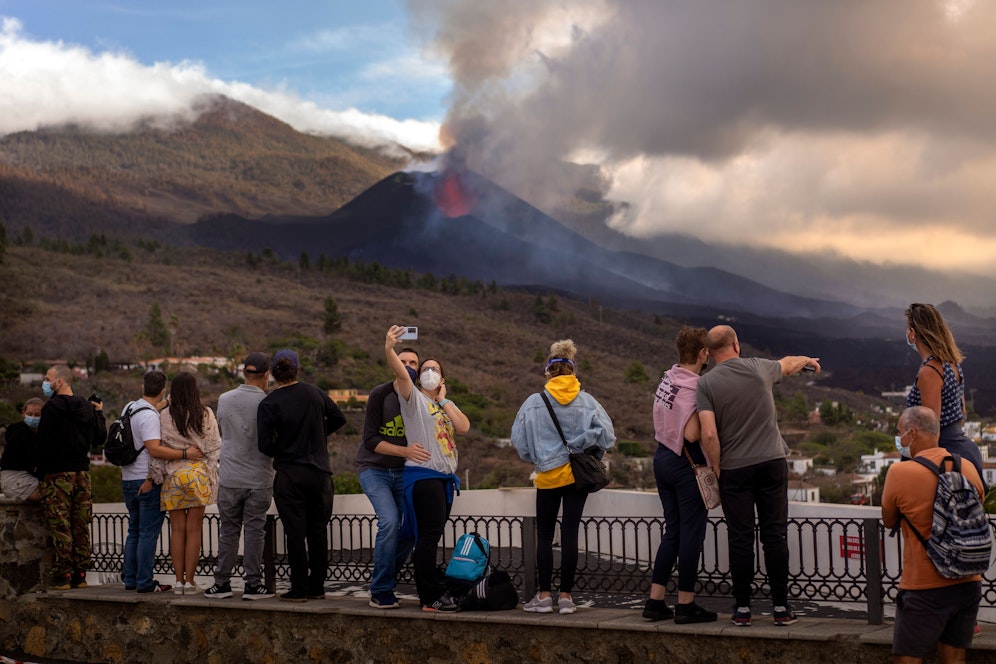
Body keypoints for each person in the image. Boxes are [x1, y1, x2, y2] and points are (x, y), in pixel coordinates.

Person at [696, 325, 819, 626]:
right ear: (736, 345)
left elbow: (709, 434)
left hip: (735, 468)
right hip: (771, 462)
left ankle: (742, 609)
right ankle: (781, 607)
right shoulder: (759, 367)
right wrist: (807, 360)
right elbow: (788, 363)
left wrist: (717, 467)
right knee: (774, 535)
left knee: (740, 538)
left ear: (709, 353)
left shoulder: (706, 384)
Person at [511, 339, 616, 615]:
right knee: (570, 534)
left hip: (548, 477)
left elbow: (519, 443)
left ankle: (544, 596)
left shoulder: (534, 402)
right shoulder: (588, 401)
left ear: (548, 372)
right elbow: (608, 436)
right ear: (573, 372)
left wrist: (540, 457)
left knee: (545, 535)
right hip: (577, 478)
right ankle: (567, 597)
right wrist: (590, 451)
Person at [882, 406, 985, 664]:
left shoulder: (899, 473)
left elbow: (889, 520)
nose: (899, 439)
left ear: (912, 433)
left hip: (924, 587)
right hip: (968, 581)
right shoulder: (968, 467)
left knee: (907, 660)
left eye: (900, 433)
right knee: (955, 660)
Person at [384, 325, 470, 613]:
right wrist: (389, 348)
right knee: (428, 538)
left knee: (430, 537)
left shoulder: (443, 405)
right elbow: (400, 373)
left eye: (435, 369)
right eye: (425, 369)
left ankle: (432, 591)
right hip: (424, 477)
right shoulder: (413, 399)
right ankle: (429, 596)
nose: (430, 372)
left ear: (442, 378)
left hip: (443, 479)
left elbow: (463, 427)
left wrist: (443, 399)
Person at [258, 349, 346, 602]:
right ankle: (317, 586)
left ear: (273, 373)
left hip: (289, 475)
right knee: (318, 532)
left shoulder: (269, 403)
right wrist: (317, 435)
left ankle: (299, 588)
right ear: (297, 370)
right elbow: (339, 418)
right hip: (320, 474)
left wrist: (284, 447)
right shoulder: (314, 392)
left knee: (295, 533)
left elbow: (264, 445)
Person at [643, 328, 717, 624]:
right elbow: (693, 433)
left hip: (662, 457)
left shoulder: (669, 378)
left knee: (673, 530)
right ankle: (686, 604)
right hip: (685, 464)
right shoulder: (694, 387)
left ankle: (655, 601)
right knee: (691, 534)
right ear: (702, 353)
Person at [357, 346, 427, 609]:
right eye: (402, 360)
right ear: (393, 364)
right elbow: (370, 440)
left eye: (413, 362)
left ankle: (383, 578)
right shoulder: (380, 394)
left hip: (404, 472)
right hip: (373, 468)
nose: (407, 365)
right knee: (389, 521)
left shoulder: (420, 399)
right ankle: (381, 590)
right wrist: (405, 451)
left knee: (409, 530)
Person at [204, 352, 275, 601]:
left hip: (230, 476)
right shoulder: (268, 402)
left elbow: (225, 430)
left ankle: (221, 583)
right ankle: (253, 585)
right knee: (255, 531)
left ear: (244, 372)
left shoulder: (224, 399)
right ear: (267, 375)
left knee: (228, 531)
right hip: (259, 477)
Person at [121, 370, 196, 594]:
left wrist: (163, 404)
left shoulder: (129, 408)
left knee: (134, 531)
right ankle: (145, 582)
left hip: (127, 479)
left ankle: (130, 579)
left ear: (142, 388)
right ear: (163, 390)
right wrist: (185, 453)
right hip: (147, 481)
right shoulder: (152, 417)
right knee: (148, 533)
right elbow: (154, 449)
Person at [149, 371, 221, 595]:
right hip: (197, 477)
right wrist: (212, 478)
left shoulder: (164, 416)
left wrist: (156, 475)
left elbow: (158, 451)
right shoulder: (205, 413)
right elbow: (214, 447)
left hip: (174, 478)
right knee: (194, 530)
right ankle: (190, 582)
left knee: (177, 530)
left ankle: (178, 582)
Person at [36, 364, 106, 590]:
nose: (46, 383)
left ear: (60, 381)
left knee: (61, 524)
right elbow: (100, 438)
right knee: (80, 524)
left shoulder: (51, 408)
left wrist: (40, 475)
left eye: (48, 378)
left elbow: (44, 444)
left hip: (57, 474)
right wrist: (99, 413)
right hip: (82, 473)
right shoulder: (86, 407)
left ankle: (63, 575)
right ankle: (81, 574)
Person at [904, 303, 984, 480]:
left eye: (907, 329)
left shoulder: (930, 371)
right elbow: (962, 413)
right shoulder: (952, 364)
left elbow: (930, 430)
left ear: (913, 333)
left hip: (946, 459)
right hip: (965, 451)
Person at [0, 398, 44, 503]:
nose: (33, 417)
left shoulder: (37, 434)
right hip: (16, 479)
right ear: (23, 413)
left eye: (37, 415)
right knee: (52, 496)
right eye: (30, 414)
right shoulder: (20, 432)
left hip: (26, 477)